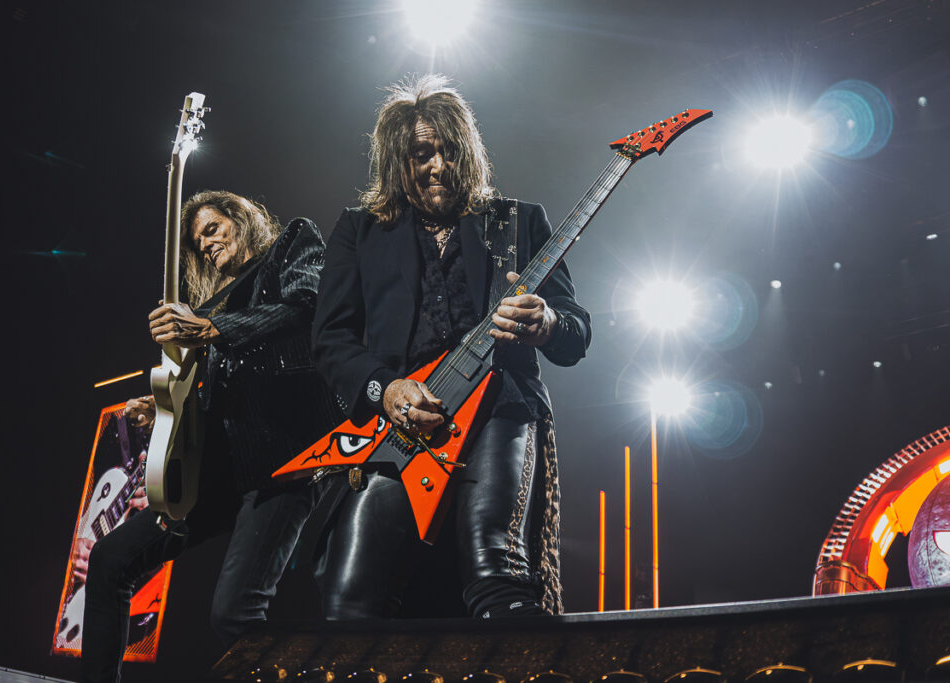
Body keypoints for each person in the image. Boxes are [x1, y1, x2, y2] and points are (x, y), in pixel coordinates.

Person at [312, 75, 591, 620]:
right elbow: (331, 339)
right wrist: (385, 387)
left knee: (498, 576)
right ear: (397, 161)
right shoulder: (358, 230)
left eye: (447, 151)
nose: (436, 165)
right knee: (348, 600)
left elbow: (576, 332)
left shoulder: (518, 220)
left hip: (499, 412)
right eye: (420, 153)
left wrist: (547, 321)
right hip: (400, 424)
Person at [81, 191, 338, 682]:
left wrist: (210, 326)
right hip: (218, 470)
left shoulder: (291, 243)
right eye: (198, 243)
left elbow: (309, 304)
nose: (206, 245)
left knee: (235, 614)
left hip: (284, 462)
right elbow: (211, 397)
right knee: (111, 560)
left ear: (242, 218)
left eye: (213, 229)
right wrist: (162, 412)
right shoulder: (215, 304)